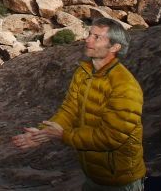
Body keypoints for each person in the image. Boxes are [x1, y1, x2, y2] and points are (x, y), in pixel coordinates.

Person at [11, 18, 145, 191]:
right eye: (90, 34)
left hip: (120, 181)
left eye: (97, 37)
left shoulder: (125, 86)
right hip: (92, 175)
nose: (88, 40)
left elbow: (112, 138)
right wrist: (43, 133)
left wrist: (63, 135)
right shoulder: (84, 72)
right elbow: (69, 109)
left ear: (115, 47)